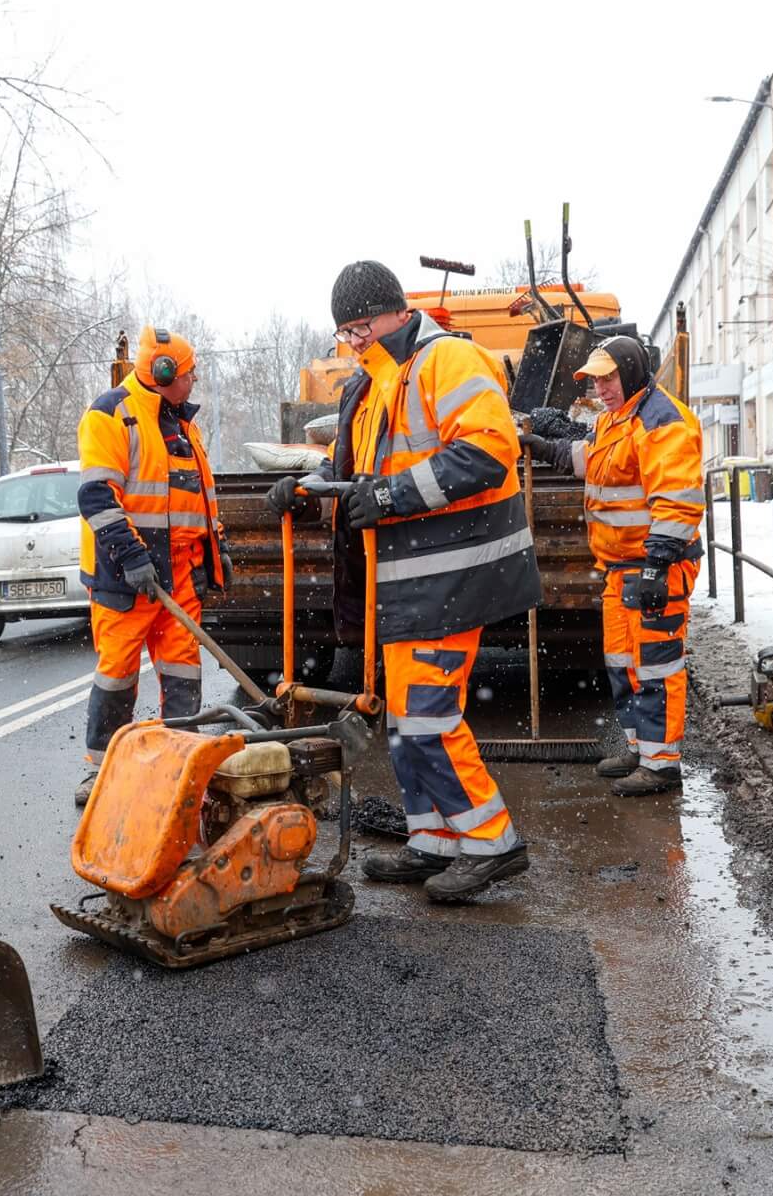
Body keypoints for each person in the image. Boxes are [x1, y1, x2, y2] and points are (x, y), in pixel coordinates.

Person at [269, 260, 541, 902]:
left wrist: (390, 498)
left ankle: (492, 843)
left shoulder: (447, 360)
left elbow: (489, 449)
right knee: (404, 721)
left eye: (361, 327)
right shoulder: (367, 389)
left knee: (427, 718)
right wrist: (307, 497)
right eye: (345, 333)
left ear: (396, 311)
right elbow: (356, 483)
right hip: (403, 581)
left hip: (452, 571)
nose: (356, 342)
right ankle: (434, 839)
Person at [520, 335, 705, 794]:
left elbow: (677, 504)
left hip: (655, 565)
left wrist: (656, 568)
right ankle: (640, 748)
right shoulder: (613, 422)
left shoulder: (664, 423)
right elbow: (588, 461)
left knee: (656, 665)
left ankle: (662, 765)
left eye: (608, 378)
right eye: (596, 380)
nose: (601, 388)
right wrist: (542, 447)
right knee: (622, 663)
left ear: (631, 373)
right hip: (620, 568)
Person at [74, 326, 231, 805]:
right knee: (117, 671)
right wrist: (132, 555)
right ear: (164, 374)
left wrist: (215, 546)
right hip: (127, 574)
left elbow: (200, 498)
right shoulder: (112, 415)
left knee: (183, 668)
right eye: (188, 375)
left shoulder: (185, 425)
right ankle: (103, 771)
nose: (193, 381)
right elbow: (97, 496)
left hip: (179, 571)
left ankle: (177, 758)